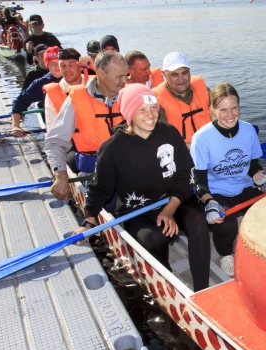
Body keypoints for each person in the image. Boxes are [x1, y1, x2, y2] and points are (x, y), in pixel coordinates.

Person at [73, 85, 211, 291]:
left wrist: (169, 210)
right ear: (129, 113)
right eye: (142, 109)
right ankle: (167, 286)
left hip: (171, 200)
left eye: (153, 108)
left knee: (199, 221)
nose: (151, 115)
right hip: (137, 209)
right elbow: (99, 189)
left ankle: (202, 289)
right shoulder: (112, 149)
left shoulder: (170, 134)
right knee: (155, 238)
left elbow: (185, 176)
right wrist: (89, 220)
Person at [190, 83, 266, 276]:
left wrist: (259, 176)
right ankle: (226, 253)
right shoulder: (202, 138)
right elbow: (198, 180)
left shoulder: (249, 130)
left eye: (234, 108)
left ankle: (252, 244)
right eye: (223, 110)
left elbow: (252, 164)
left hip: (243, 187)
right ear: (212, 110)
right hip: (216, 192)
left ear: (239, 107)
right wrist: (209, 202)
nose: (230, 115)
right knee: (226, 224)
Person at [44, 50, 128, 198]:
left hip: (128, 170)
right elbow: (55, 141)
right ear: (101, 73)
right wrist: (61, 175)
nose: (124, 81)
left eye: (126, 76)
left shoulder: (130, 95)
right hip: (93, 173)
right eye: (119, 77)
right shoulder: (77, 98)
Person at [153, 52, 212, 148]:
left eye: (184, 73)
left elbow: (222, 111)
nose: (181, 79)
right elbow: (160, 138)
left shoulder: (202, 88)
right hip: (179, 154)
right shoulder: (156, 101)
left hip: (209, 147)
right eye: (174, 74)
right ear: (164, 74)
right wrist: (193, 146)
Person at [10, 46, 62, 137]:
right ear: (47, 65)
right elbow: (19, 102)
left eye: (59, 62)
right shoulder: (41, 82)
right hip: (56, 126)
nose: (57, 66)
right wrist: (15, 126)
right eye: (52, 63)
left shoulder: (76, 75)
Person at [43, 48, 85, 130]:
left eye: (71, 65)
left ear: (81, 67)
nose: (67, 70)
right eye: (63, 66)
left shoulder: (95, 85)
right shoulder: (53, 93)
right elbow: (51, 127)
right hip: (67, 141)